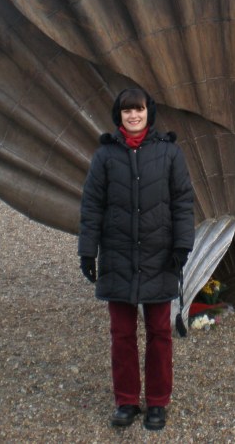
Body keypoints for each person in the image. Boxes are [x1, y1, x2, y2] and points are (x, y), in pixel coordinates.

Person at [78, 88, 195, 430]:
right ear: (119, 115)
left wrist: (182, 246)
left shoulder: (169, 152)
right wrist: (87, 250)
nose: (133, 116)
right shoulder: (105, 156)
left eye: (139, 109)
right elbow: (92, 206)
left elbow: (183, 202)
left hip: (159, 255)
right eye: (127, 110)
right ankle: (126, 400)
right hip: (117, 254)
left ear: (148, 113)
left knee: (159, 331)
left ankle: (157, 402)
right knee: (122, 333)